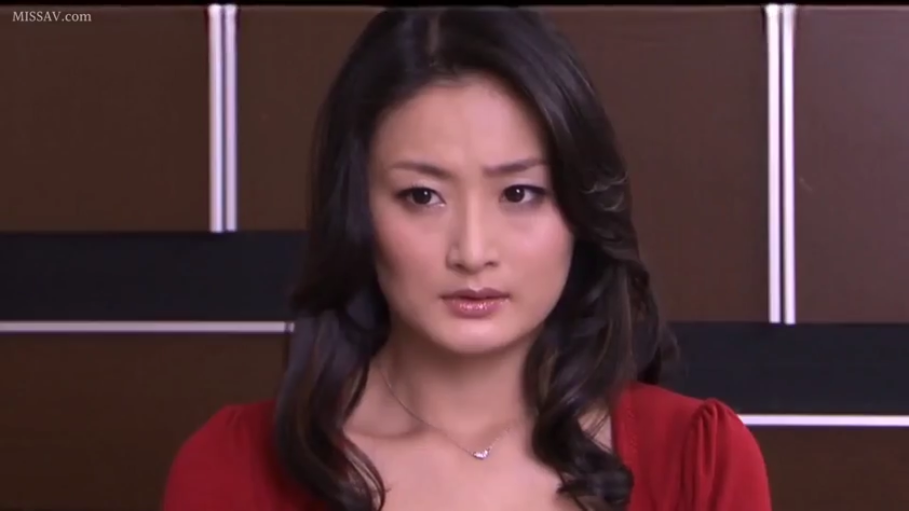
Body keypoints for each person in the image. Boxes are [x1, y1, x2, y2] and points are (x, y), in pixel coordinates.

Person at [162, 6, 771, 511]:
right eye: (422, 196)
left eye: (520, 193)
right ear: (357, 211)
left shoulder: (698, 462)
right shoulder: (232, 472)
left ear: (580, 209)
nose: (473, 252)